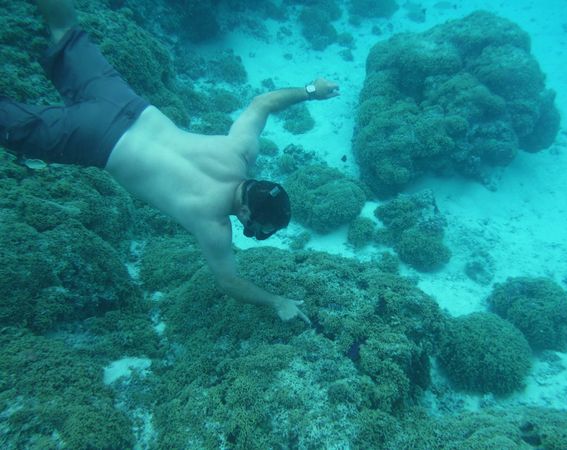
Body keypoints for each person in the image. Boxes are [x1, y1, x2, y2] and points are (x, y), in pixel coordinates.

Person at [0, 0, 339, 324]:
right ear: (247, 215)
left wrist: (311, 90)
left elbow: (263, 103)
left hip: (125, 104)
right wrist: (277, 301)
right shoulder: (213, 224)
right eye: (259, 229)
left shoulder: (239, 151)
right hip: (97, 140)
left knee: (64, 27)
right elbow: (229, 283)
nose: (253, 232)